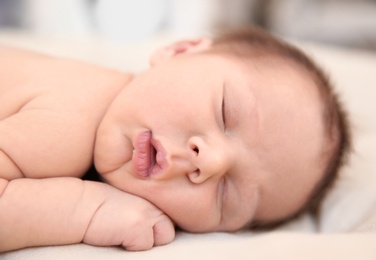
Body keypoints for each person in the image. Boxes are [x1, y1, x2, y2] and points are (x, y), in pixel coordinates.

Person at [0, 27, 351, 252]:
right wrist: (87, 210)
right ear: (181, 50)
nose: (210, 162)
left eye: (228, 196)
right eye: (226, 112)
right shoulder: (72, 114)